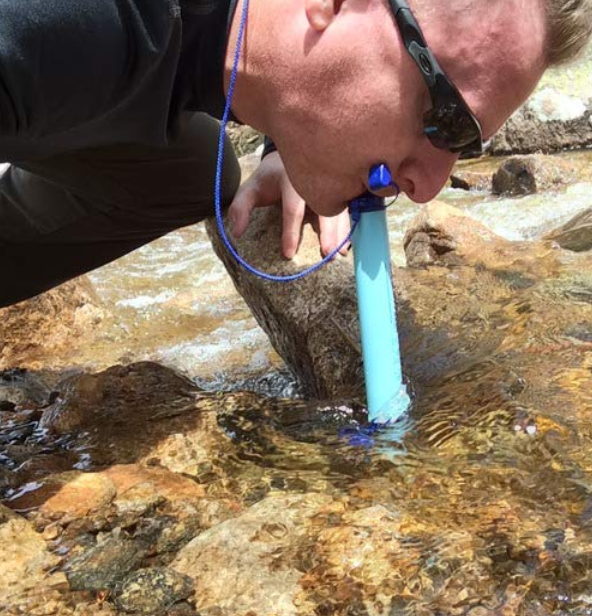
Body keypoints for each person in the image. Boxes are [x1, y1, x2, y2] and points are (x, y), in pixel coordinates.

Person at [0, 0, 590, 307]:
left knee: (191, 172)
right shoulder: (68, 22)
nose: (428, 187)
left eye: (465, 145)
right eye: (443, 117)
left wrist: (288, 137)